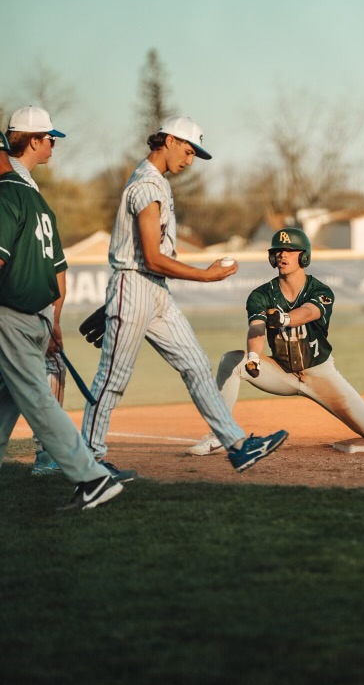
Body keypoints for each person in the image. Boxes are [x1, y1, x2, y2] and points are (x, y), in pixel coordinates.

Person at [81, 116, 288, 475]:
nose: (190, 161)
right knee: (112, 379)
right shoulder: (146, 185)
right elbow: (151, 257)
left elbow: (155, 260)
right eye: (189, 151)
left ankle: (238, 447)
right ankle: (89, 462)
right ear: (170, 140)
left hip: (153, 290)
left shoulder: (157, 182)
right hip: (135, 285)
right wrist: (205, 276)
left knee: (195, 365)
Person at [186, 227, 364, 456]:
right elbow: (256, 327)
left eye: (289, 250)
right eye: (278, 250)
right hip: (283, 372)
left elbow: (310, 312)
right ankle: (220, 433)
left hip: (320, 373)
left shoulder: (319, 289)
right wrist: (254, 356)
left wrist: (284, 318)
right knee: (232, 360)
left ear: (304, 256)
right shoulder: (261, 295)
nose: (282, 255)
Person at [0, 130, 123, 510]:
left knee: (36, 399)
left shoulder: (4, 196)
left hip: (12, 317)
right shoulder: (35, 199)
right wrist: (53, 320)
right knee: (6, 402)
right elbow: (56, 271)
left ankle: (92, 477)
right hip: (36, 317)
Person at [6, 106, 68, 477]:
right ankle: (48, 456)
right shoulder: (12, 184)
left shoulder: (25, 182)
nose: (52, 144)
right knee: (45, 369)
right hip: (16, 308)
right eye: (49, 138)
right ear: (32, 140)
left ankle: (48, 454)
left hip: (27, 307)